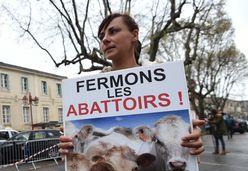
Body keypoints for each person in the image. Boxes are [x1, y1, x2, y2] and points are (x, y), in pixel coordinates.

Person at [59, 13, 205, 156]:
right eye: (101, 36)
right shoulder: (88, 92)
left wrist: (193, 135)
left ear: (134, 35)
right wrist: (70, 144)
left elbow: (185, 130)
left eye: (113, 31)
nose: (105, 40)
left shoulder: (166, 80)